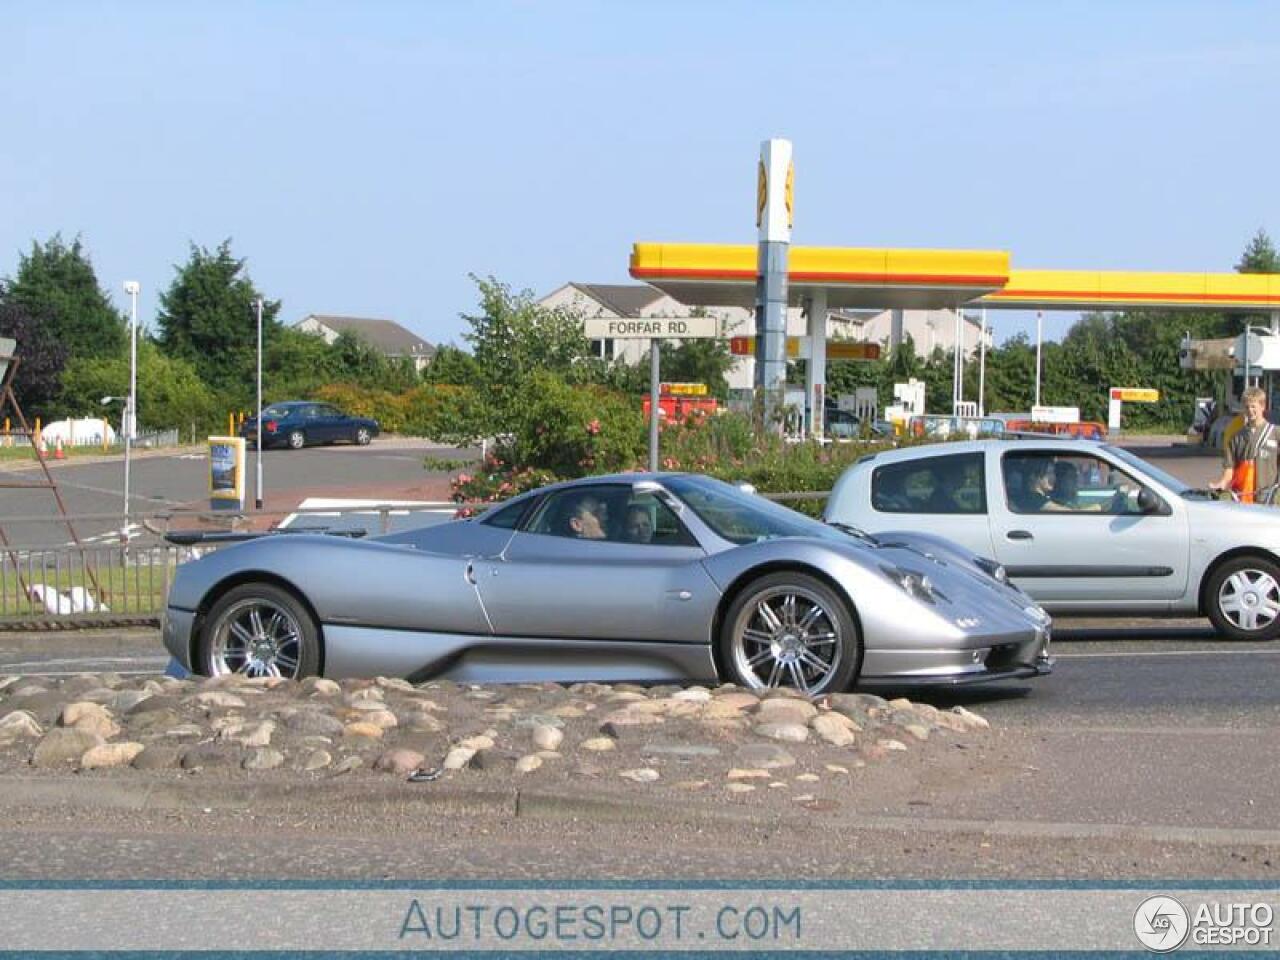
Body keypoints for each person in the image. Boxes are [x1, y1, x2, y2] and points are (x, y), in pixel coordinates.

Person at [1211, 386, 1278, 504]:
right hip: (1241, 500)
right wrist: (1221, 483)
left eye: (1253, 406)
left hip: (1268, 500)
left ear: (1263, 407)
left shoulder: (1275, 433)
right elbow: (1229, 468)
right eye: (1246, 407)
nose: (1250, 410)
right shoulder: (1236, 437)